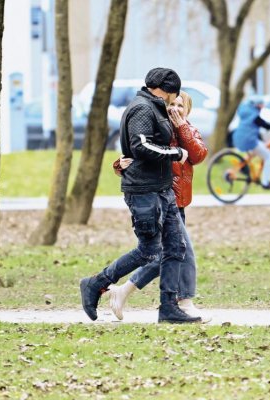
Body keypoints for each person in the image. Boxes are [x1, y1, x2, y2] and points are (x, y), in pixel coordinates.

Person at [79, 67, 202, 324]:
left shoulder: (154, 107)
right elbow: (140, 145)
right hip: (144, 191)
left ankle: (169, 308)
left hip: (162, 188)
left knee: (176, 247)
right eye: (174, 95)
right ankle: (95, 284)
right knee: (149, 251)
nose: (173, 101)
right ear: (168, 91)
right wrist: (176, 154)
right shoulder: (143, 109)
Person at [109, 91, 208, 321]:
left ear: (187, 110)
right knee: (182, 250)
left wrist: (182, 127)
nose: (174, 109)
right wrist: (119, 164)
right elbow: (139, 152)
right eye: (170, 104)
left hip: (178, 203)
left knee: (166, 254)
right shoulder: (157, 130)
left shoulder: (188, 131)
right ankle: (185, 302)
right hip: (160, 200)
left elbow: (198, 154)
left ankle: (121, 291)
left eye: (180, 106)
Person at [232, 98, 270, 189]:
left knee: (259, 149)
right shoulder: (254, 115)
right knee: (268, 156)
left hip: (240, 138)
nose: (262, 107)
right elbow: (265, 124)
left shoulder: (247, 113)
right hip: (249, 140)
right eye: (261, 105)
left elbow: (253, 128)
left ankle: (242, 166)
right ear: (257, 105)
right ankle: (265, 182)